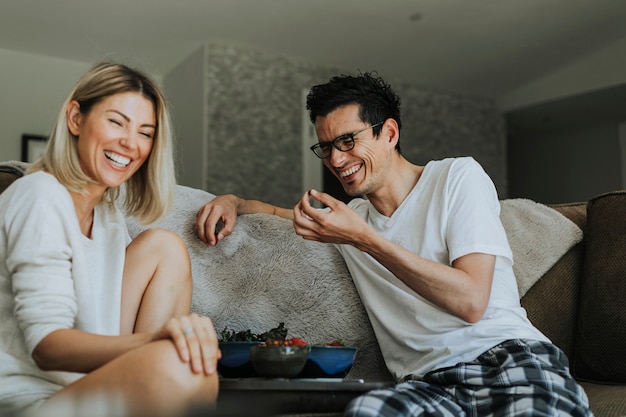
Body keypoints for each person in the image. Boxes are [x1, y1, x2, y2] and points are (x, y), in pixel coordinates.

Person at [195, 72, 594, 416]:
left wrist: (365, 240)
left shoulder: (457, 178)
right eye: (327, 146)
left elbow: (471, 301)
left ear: (389, 132)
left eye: (348, 140)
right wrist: (237, 202)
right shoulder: (352, 223)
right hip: (427, 384)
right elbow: (284, 215)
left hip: (504, 358)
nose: (336, 159)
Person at [0, 62, 220, 417]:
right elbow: (46, 347)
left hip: (84, 388)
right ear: (75, 118)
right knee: (178, 366)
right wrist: (157, 342)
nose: (130, 143)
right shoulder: (39, 195)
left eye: (146, 132)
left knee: (164, 247)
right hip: (25, 401)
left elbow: (105, 332)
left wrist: (172, 348)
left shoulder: (108, 218)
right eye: (116, 122)